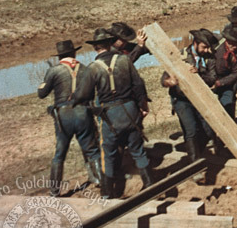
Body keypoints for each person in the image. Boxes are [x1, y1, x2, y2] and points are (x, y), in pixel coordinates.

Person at [88, 28, 152, 198]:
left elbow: (85, 95)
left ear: (95, 48)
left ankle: (107, 193)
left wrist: (94, 112)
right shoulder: (124, 60)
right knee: (138, 149)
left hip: (109, 115)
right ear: (110, 44)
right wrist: (143, 105)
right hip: (130, 109)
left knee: (107, 154)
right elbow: (138, 85)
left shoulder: (92, 68)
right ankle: (150, 184)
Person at [37, 40, 103, 196]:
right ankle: (101, 181)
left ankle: (54, 191)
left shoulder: (54, 71)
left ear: (60, 56)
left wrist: (44, 82)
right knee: (92, 150)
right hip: (83, 112)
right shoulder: (86, 69)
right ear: (74, 53)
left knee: (60, 154)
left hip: (64, 115)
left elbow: (42, 93)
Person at [161, 28, 221, 179]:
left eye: (208, 47)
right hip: (181, 100)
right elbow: (164, 79)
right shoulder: (179, 56)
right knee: (191, 131)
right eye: (204, 47)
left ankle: (195, 154)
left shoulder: (209, 58)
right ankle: (196, 168)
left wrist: (199, 74)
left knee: (208, 130)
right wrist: (171, 82)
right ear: (195, 43)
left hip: (200, 99)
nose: (207, 50)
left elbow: (212, 78)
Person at [207, 24, 237, 119]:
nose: (233, 46)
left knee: (228, 100)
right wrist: (213, 80)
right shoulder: (216, 47)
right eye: (231, 42)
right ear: (226, 40)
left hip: (229, 80)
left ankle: (230, 121)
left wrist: (220, 83)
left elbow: (236, 73)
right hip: (212, 76)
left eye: (236, 43)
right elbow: (210, 64)